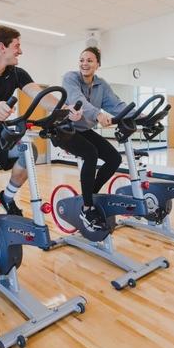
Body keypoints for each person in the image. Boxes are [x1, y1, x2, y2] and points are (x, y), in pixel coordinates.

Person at [0, 25, 81, 270]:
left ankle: (7, 197)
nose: (20, 51)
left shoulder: (16, 73)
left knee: (28, 152)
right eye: (17, 46)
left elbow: (39, 94)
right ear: (2, 46)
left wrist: (64, 110)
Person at [57, 46, 131, 232]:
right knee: (91, 153)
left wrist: (136, 114)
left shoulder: (101, 84)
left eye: (90, 60)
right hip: (63, 129)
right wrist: (98, 114)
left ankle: (89, 194)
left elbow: (115, 104)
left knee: (115, 158)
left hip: (83, 129)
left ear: (98, 64)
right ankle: (87, 207)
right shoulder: (70, 78)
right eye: (82, 60)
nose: (85, 63)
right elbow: (77, 99)